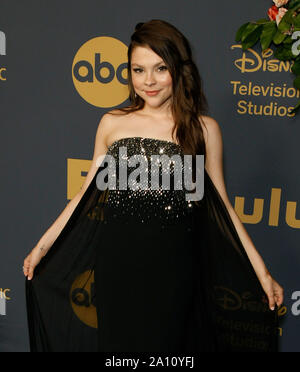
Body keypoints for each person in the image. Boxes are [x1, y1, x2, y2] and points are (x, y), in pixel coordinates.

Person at [23, 19, 284, 352]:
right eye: (138, 70)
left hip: (174, 269)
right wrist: (43, 246)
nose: (148, 81)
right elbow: (84, 195)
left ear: (178, 69)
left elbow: (223, 209)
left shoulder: (204, 129)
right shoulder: (113, 123)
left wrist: (262, 273)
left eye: (160, 68)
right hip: (118, 265)